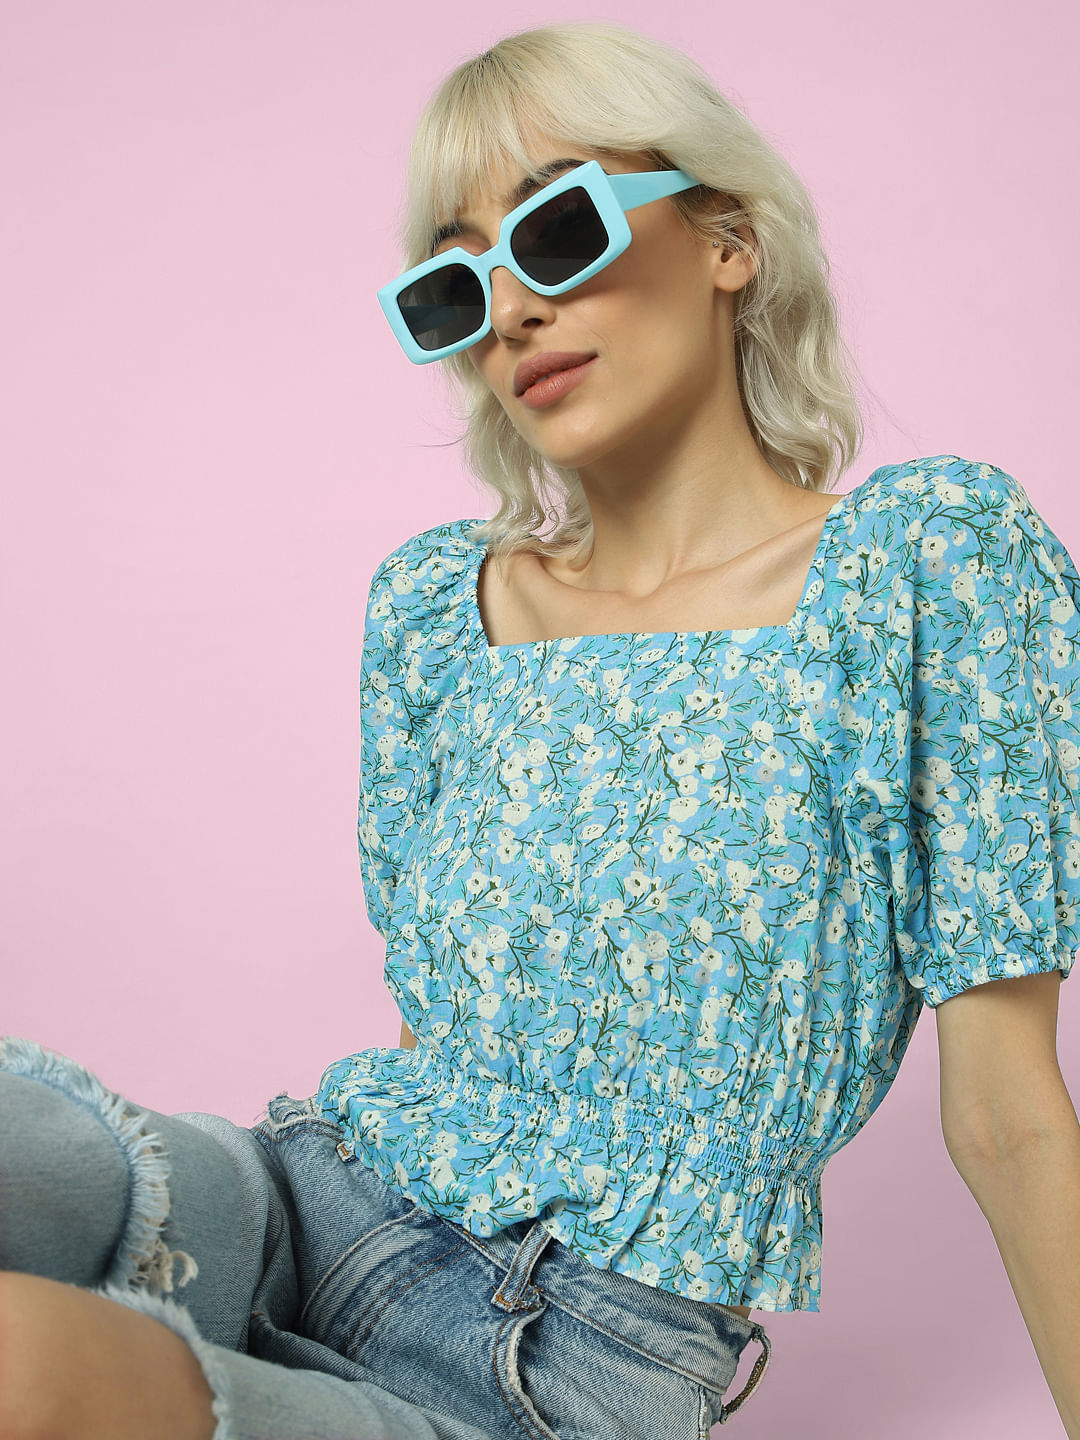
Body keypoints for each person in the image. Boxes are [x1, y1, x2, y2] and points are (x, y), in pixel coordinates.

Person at [3, 19, 1080, 1440]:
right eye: (458, 282)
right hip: (308, 1204)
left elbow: (1006, 1114)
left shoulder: (927, 565)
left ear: (727, 240)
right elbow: (435, 1038)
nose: (510, 308)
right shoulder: (436, 610)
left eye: (559, 227)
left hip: (576, 1359)